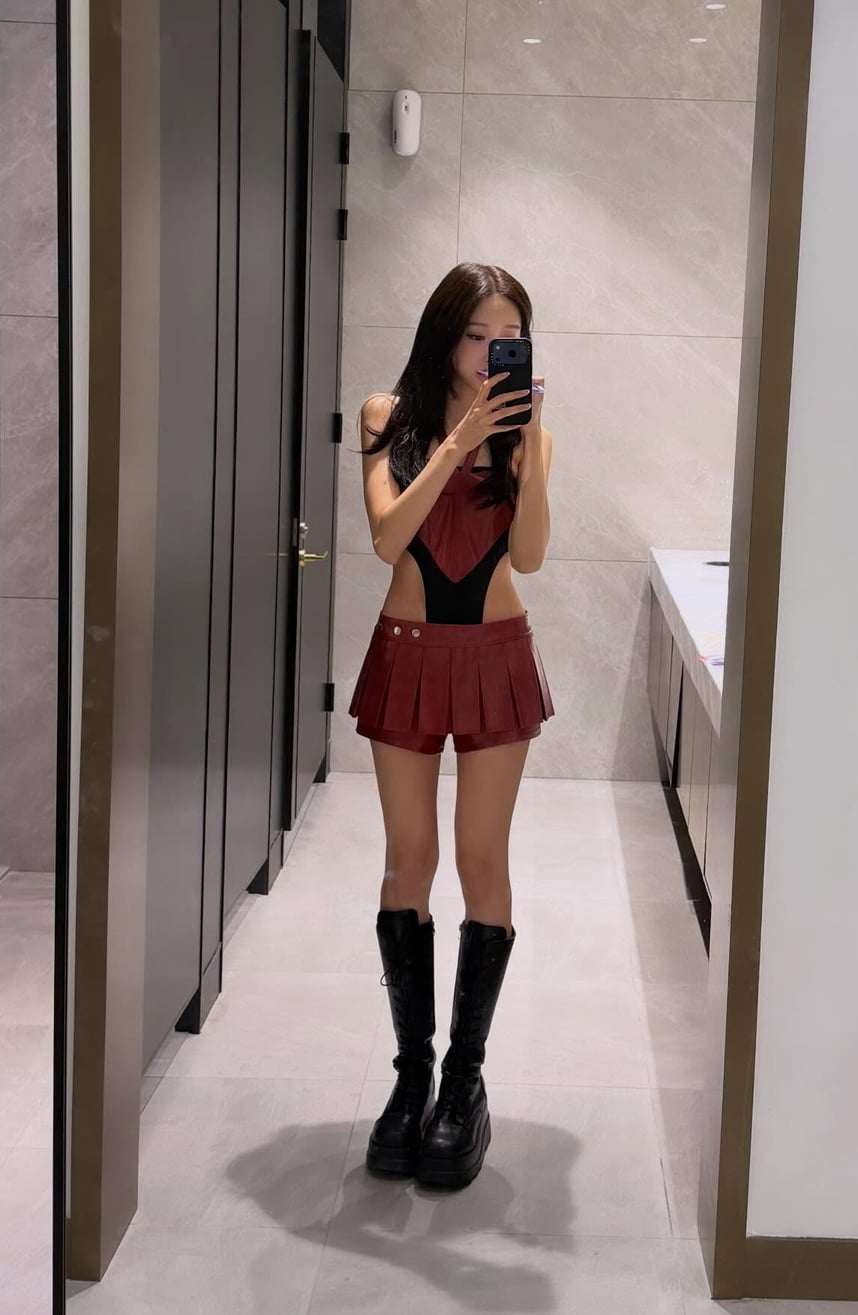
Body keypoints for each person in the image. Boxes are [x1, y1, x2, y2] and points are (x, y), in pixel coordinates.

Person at [349, 262, 555, 1189]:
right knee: (408, 858)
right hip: (407, 650)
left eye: (508, 336)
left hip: (496, 654)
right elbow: (387, 538)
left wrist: (525, 443)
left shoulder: (527, 433)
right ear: (445, 335)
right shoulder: (386, 416)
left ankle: (463, 1085)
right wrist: (456, 442)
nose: (490, 352)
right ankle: (412, 1076)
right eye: (477, 334)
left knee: (481, 859)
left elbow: (532, 556)